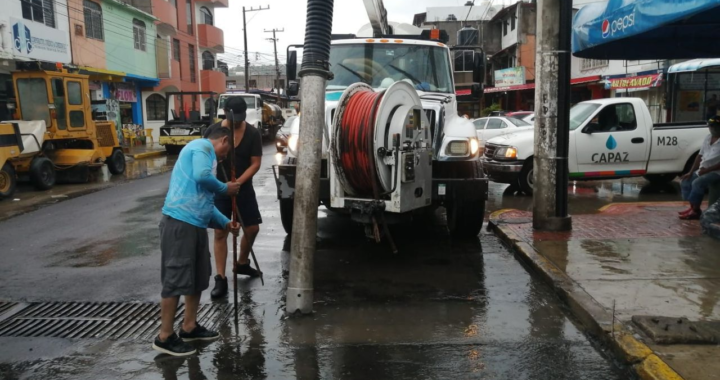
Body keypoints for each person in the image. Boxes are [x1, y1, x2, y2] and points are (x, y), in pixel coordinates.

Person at [153, 126, 242, 357]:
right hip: (179, 224)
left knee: (198, 277)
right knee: (175, 278)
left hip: (196, 225)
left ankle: (189, 327)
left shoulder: (208, 160)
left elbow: (205, 201)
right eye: (227, 149)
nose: (225, 156)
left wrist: (225, 223)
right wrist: (226, 188)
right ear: (223, 140)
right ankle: (164, 336)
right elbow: (202, 178)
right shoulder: (201, 147)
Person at [205, 96, 264, 299]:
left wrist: (238, 183)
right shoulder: (212, 131)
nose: (237, 121)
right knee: (221, 231)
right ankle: (220, 278)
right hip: (219, 189)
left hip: (242, 189)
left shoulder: (252, 133)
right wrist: (221, 186)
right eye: (233, 117)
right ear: (225, 112)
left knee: (252, 228)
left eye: (240, 117)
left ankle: (242, 263)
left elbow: (255, 163)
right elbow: (206, 159)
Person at [679, 116, 720, 220]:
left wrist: (707, 170)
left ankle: (695, 211)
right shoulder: (707, 138)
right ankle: (693, 207)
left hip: (715, 171)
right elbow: (700, 155)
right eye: (711, 127)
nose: (712, 129)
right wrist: (691, 171)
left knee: (697, 183)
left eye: (715, 127)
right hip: (702, 169)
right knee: (686, 181)